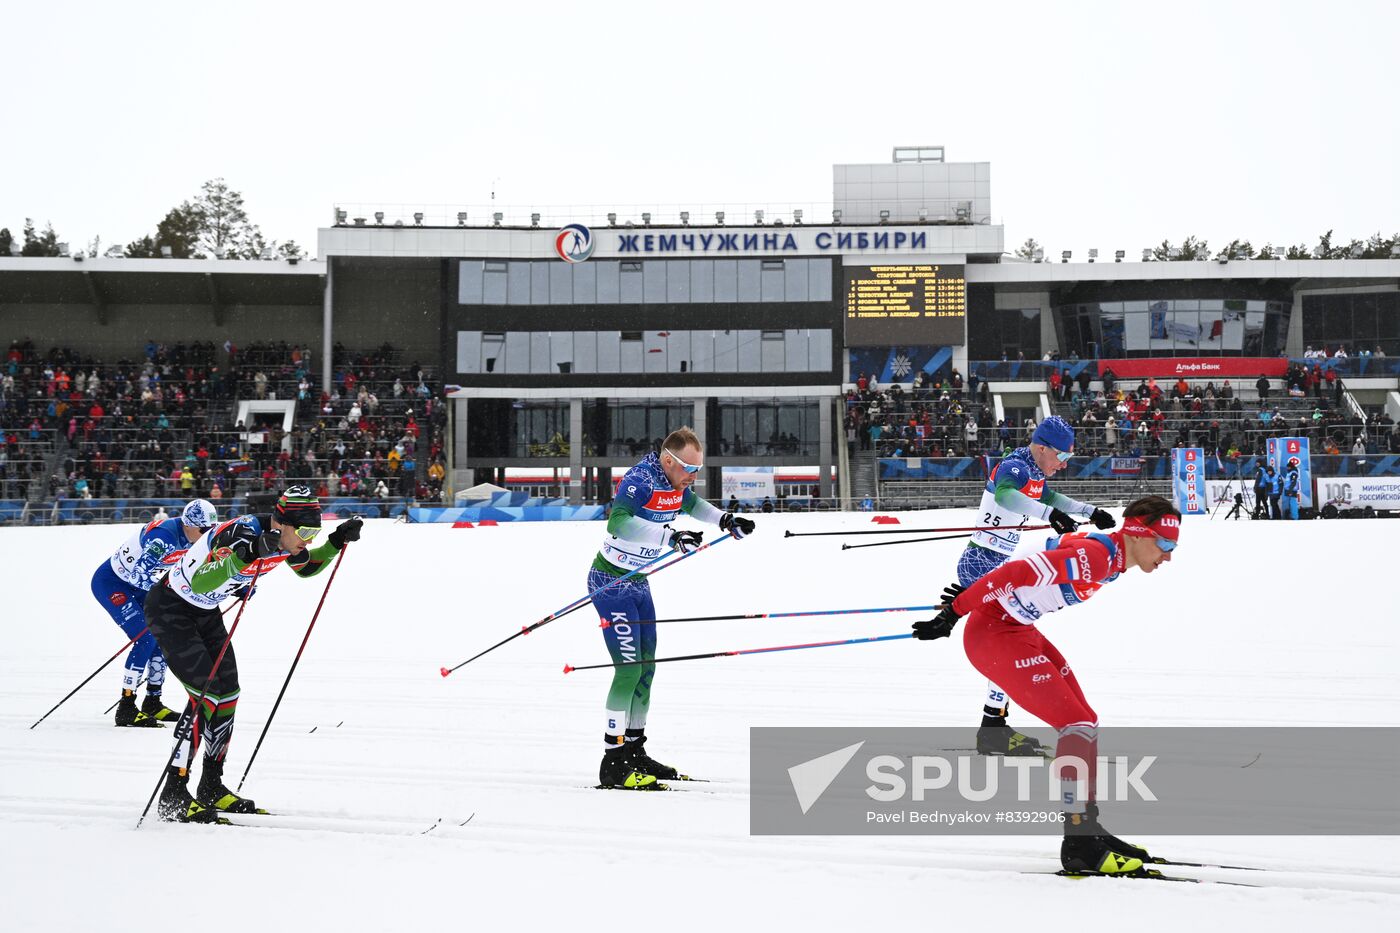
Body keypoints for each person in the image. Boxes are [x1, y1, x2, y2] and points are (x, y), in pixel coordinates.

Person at [913, 495, 1181, 874]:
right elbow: (1017, 573)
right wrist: (956, 612)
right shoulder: (1099, 557)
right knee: (1077, 725)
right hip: (995, 634)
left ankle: (1088, 828)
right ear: (1138, 534)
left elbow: (1045, 551)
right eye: (1165, 545)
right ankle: (1078, 842)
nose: (1168, 556)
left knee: (1085, 721)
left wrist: (976, 591)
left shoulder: (1112, 556)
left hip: (1016, 627)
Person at [147, 486, 363, 822]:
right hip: (171, 608)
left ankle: (211, 786)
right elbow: (204, 581)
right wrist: (246, 554)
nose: (308, 538)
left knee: (227, 692)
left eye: (314, 531)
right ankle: (173, 795)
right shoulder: (243, 533)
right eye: (306, 531)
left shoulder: (285, 539)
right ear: (281, 524)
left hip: (204, 613)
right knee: (204, 697)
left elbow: (307, 568)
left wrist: (335, 541)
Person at [588, 427, 754, 790]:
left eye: (698, 469)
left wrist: (725, 520)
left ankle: (634, 750)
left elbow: (690, 504)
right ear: (668, 460)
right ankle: (613, 761)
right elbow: (617, 523)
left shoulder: (674, 483)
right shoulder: (641, 480)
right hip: (611, 583)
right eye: (688, 469)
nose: (693, 476)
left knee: (647, 670)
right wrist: (670, 537)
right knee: (628, 671)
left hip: (638, 582)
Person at [956, 415, 1116, 756]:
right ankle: (993, 728)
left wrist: (1091, 510)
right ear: (1042, 448)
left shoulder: (1035, 471)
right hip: (983, 562)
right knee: (1007, 644)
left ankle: (993, 727)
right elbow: (1006, 498)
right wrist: (1048, 516)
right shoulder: (1014, 466)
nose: (1064, 464)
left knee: (1008, 644)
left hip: (999, 562)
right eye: (1062, 456)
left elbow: (1054, 499)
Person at [91, 499, 218, 727]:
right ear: (188, 524)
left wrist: (238, 585)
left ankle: (152, 701)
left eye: (210, 530)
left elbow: (205, 569)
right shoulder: (164, 538)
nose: (206, 534)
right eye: (203, 529)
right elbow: (137, 576)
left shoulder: (197, 538)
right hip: (113, 584)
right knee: (145, 637)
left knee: (162, 637)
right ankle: (127, 707)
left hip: (139, 586)